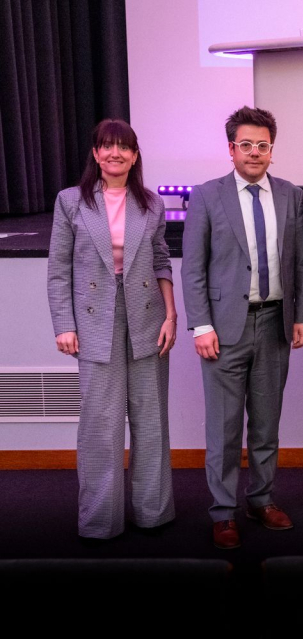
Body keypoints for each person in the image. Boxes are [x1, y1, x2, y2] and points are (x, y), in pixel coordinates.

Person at [182, 106, 303, 549]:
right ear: (231, 149)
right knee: (223, 429)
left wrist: (302, 315)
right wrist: (201, 325)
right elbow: (193, 268)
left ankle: (261, 499)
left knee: (266, 424)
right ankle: (223, 512)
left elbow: (300, 262)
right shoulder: (207, 196)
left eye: (262, 145)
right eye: (246, 145)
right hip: (222, 329)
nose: (254, 152)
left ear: (271, 150)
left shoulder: (291, 195)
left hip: (276, 323)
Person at [47, 119, 177, 540]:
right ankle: (100, 521)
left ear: (135, 156)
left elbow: (161, 261)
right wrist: (64, 324)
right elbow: (58, 268)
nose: (115, 153)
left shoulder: (152, 203)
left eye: (123, 147)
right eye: (107, 146)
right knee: (100, 422)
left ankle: (153, 513)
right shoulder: (70, 201)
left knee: (150, 419)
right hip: (94, 320)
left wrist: (171, 316)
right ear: (96, 153)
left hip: (148, 318)